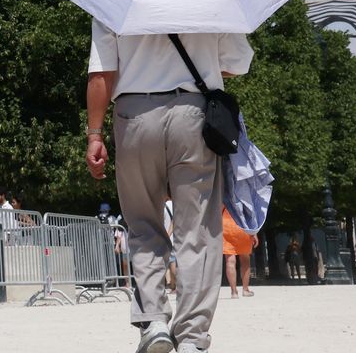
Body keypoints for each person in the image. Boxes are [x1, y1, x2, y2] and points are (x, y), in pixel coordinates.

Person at [85, 22, 253, 353]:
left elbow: (101, 75)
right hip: (193, 113)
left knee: (143, 223)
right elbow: (235, 65)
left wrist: (94, 134)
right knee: (198, 231)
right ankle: (191, 336)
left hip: (134, 115)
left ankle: (154, 322)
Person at [221, 208, 256, 298]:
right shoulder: (245, 194)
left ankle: (234, 292)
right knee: (245, 259)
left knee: (230, 260)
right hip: (243, 227)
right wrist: (254, 232)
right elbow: (250, 213)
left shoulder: (223, 194)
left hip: (226, 227)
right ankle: (245, 290)